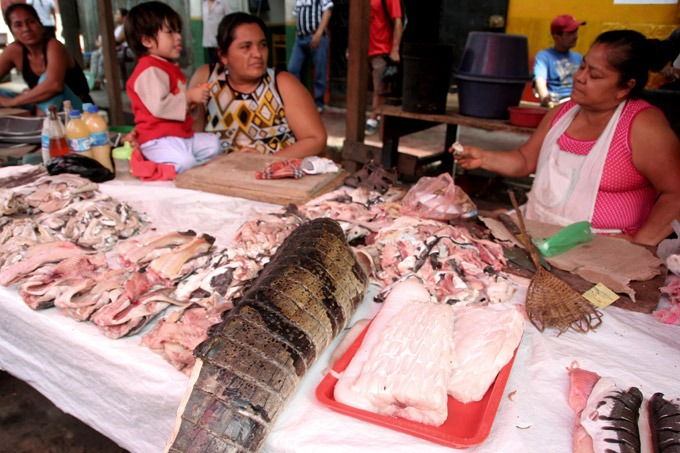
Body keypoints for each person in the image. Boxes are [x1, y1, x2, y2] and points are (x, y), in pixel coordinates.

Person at [452, 30, 680, 247]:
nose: (580, 78)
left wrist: (641, 242)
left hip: (600, 249)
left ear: (624, 87)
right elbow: (524, 160)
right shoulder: (563, 113)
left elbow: (675, 192)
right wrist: (483, 158)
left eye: (595, 75)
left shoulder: (643, 126)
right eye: (582, 67)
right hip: (537, 233)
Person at [187, 12, 326, 157]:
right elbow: (193, 138)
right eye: (246, 47)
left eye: (262, 45)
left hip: (274, 174)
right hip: (220, 174)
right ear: (223, 55)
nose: (258, 54)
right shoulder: (207, 78)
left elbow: (316, 139)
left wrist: (265, 162)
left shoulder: (282, 83)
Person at [125, 1, 222, 174]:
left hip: (180, 137)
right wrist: (190, 97)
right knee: (186, 161)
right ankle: (154, 167)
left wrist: (192, 102)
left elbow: (175, 105)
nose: (178, 37)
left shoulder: (167, 67)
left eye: (178, 31)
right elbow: (160, 106)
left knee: (214, 144)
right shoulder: (149, 70)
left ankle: (188, 168)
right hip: (158, 140)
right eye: (170, 32)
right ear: (147, 40)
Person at [0, 3, 93, 113]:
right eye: (18, 25)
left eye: (31, 22)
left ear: (40, 25)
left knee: (47, 83)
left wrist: (13, 102)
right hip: (39, 105)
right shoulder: (14, 51)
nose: (26, 29)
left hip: (76, 110)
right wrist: (32, 94)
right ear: (12, 31)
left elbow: (54, 85)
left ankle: (44, 127)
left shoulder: (54, 46)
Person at [287, 0, 333, 114]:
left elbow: (327, 12)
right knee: (292, 69)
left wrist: (318, 33)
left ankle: (319, 103)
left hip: (316, 36)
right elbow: (297, 17)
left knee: (319, 72)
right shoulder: (298, 1)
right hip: (301, 39)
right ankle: (298, 100)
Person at [365, 0, 403, 135]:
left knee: (380, 88)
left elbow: (398, 21)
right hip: (366, 48)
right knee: (370, 85)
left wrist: (395, 49)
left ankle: (373, 118)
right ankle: (377, 113)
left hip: (382, 49)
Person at [533, 14, 585, 107]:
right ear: (556, 36)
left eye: (576, 32)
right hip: (558, 103)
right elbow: (540, 81)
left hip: (578, 103)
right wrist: (545, 98)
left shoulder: (579, 57)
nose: (576, 36)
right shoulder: (544, 57)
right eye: (570, 33)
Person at [89, 8, 128, 90]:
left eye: (117, 14)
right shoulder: (117, 28)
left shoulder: (126, 26)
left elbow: (118, 40)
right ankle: (93, 78)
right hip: (112, 49)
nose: (115, 16)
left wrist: (103, 43)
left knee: (104, 56)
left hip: (121, 50)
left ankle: (100, 80)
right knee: (95, 54)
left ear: (124, 17)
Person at [202, 0, 230, 66]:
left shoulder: (223, 2)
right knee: (211, 59)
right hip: (208, 36)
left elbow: (229, 17)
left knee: (219, 58)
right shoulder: (205, 3)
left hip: (219, 35)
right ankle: (213, 74)